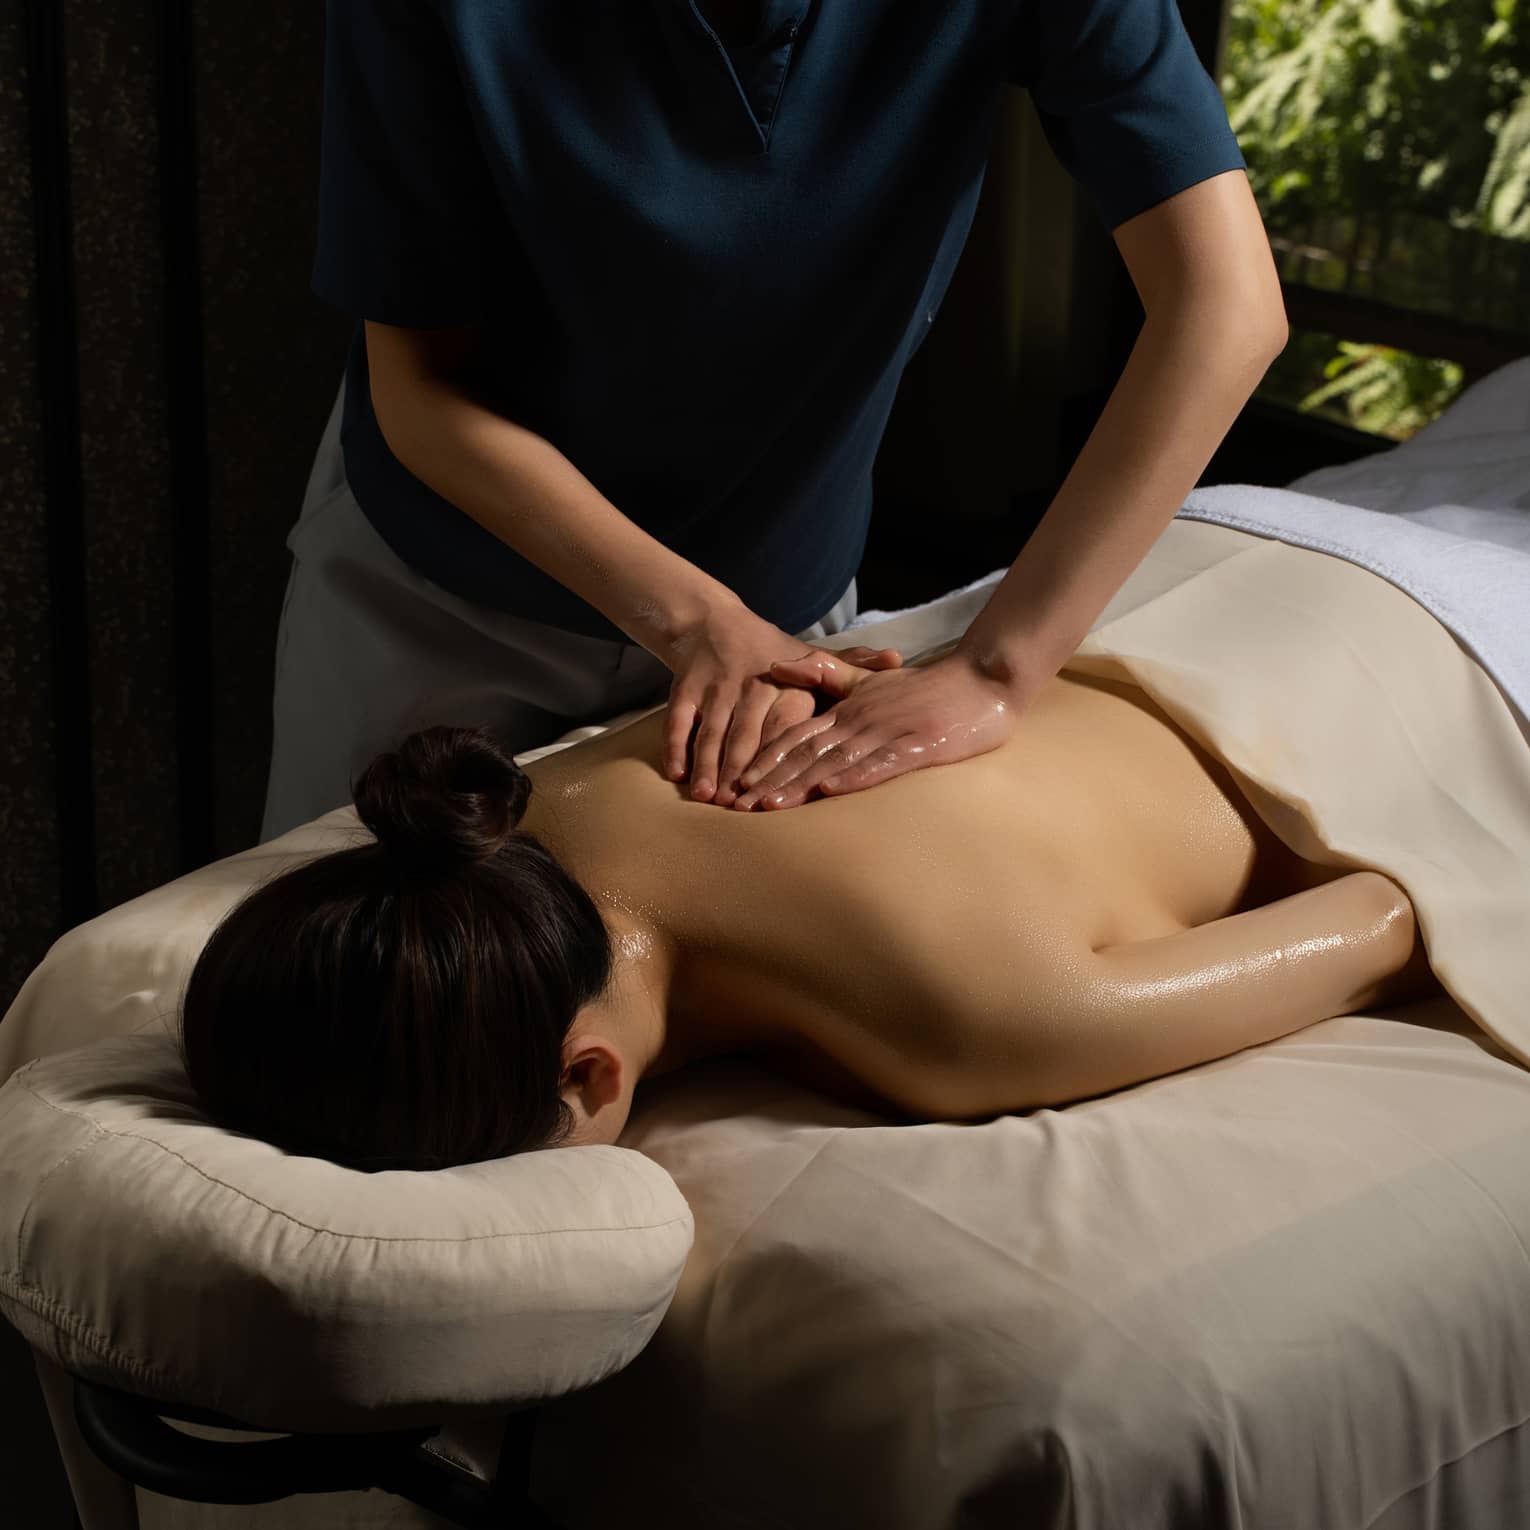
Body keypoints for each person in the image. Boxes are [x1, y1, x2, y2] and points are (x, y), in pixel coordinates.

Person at [261, 0, 1286, 843]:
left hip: (780, 622)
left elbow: (1227, 307)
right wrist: (700, 624)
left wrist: (997, 667)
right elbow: (424, 395)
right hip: (443, 599)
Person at [184, 655, 1440, 1171]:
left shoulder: (964, 1021)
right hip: (1205, 555)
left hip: (1401, 672)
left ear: (587, 1078)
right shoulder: (529, 797)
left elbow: (1386, 916)